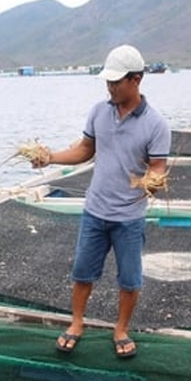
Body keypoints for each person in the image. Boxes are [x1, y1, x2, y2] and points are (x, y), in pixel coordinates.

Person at [31, 44, 171, 359]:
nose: (110, 87)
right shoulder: (98, 112)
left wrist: (153, 183)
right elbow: (85, 150)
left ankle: (120, 329)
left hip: (129, 217)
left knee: (130, 278)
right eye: (107, 81)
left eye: (116, 82)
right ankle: (76, 323)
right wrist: (50, 157)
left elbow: (158, 168)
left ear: (136, 79)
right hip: (95, 210)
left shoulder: (156, 125)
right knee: (82, 272)